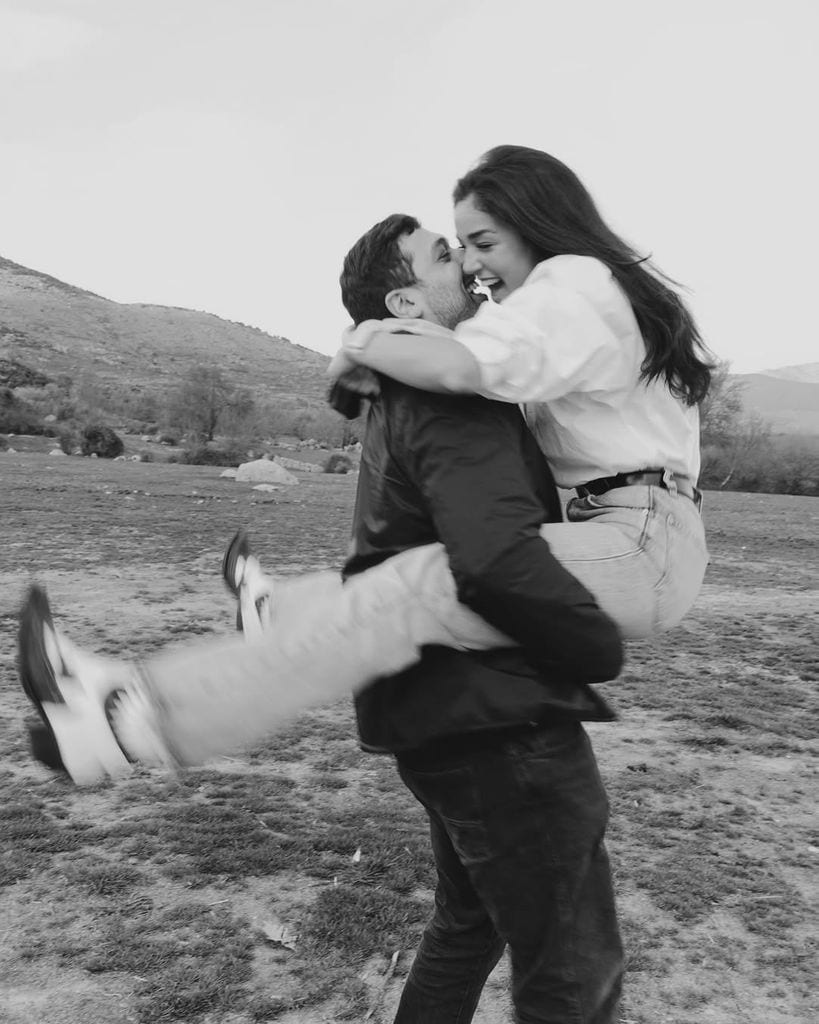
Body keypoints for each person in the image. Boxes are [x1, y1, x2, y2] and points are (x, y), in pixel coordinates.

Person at [20, 211, 624, 1021]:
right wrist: (591, 643)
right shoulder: (451, 391)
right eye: (446, 256)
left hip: (438, 714)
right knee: (572, 973)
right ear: (407, 302)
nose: (470, 266)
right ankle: (128, 710)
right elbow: (492, 560)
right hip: (497, 723)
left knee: (469, 925)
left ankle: (124, 703)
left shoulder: (399, 388)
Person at [312, 144, 712, 644]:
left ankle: (286, 629)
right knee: (427, 594)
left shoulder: (573, 284)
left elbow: (461, 367)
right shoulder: (558, 308)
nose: (470, 263)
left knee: (435, 580)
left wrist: (360, 340)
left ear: (533, 228)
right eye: (460, 246)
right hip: (628, 530)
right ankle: (290, 619)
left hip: (644, 544)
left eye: (482, 242)